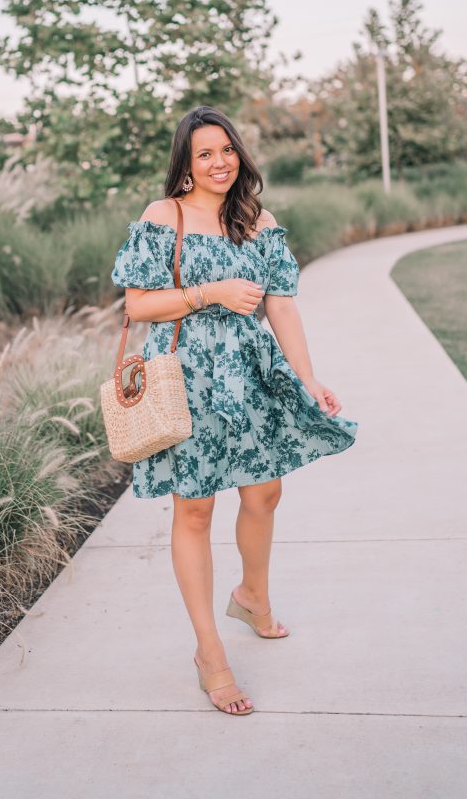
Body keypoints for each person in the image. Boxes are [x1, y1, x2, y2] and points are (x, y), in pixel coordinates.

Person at [110, 105, 359, 716]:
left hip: (252, 374)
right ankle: (209, 651)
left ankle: (251, 594)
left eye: (227, 150)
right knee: (194, 510)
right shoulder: (162, 216)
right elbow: (137, 307)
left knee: (265, 493)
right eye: (204, 154)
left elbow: (283, 307)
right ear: (186, 164)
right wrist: (209, 293)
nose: (220, 162)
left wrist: (308, 379)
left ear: (239, 155)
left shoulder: (259, 220)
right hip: (187, 378)